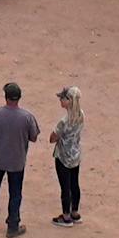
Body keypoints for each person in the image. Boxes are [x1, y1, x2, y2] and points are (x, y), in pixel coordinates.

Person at [0, 81, 40, 238]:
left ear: (5, 97)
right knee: (15, 193)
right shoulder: (27, 117)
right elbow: (34, 137)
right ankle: (13, 226)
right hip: (17, 160)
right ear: (19, 98)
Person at [50, 86, 84, 227]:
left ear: (69, 101)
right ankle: (75, 212)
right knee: (74, 184)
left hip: (63, 155)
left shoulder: (64, 121)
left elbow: (52, 138)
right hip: (75, 154)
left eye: (63, 98)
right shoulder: (81, 114)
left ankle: (66, 216)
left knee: (65, 186)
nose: (61, 100)